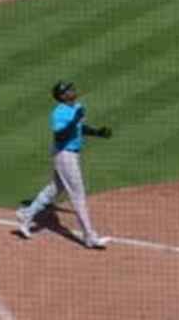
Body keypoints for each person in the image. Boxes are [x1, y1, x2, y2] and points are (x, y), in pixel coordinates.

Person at [12, 80, 111, 249]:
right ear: (62, 96)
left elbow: (79, 127)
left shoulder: (75, 107)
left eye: (72, 88)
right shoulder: (59, 112)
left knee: (55, 189)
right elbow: (60, 136)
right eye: (69, 90)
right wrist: (75, 119)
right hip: (64, 155)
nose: (73, 90)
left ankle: (26, 215)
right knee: (78, 195)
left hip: (71, 154)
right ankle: (90, 237)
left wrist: (97, 132)